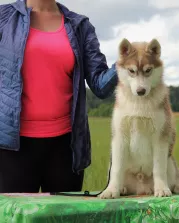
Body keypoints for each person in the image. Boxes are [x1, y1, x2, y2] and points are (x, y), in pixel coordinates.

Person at [0, 0, 118, 193]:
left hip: (66, 147)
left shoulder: (80, 26)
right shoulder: (4, 17)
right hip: (12, 148)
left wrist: (123, 65)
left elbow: (100, 85)